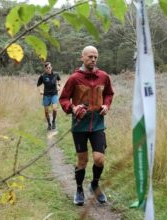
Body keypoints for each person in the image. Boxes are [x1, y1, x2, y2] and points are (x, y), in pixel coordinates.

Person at [59, 46, 114, 206]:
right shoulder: (74, 78)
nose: (93, 60)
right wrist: (72, 108)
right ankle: (79, 190)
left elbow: (109, 93)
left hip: (97, 125)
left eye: (95, 57)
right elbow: (63, 99)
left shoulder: (104, 77)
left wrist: (106, 105)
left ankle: (95, 184)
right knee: (82, 160)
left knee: (99, 159)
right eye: (90, 57)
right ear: (81, 57)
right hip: (79, 127)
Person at [37, 62, 61, 130]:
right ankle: (49, 124)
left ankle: (53, 122)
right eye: (47, 68)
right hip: (46, 95)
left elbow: (59, 79)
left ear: (51, 67)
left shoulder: (56, 74)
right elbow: (38, 85)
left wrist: (58, 86)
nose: (48, 69)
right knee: (46, 111)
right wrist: (40, 91)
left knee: (54, 108)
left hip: (54, 94)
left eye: (49, 68)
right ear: (45, 69)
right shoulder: (42, 76)